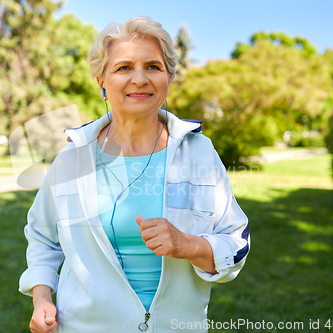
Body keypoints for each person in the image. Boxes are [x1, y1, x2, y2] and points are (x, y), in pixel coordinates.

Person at [19, 16, 250, 333]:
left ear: (168, 77)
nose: (140, 79)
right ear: (101, 80)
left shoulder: (199, 151)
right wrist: (42, 298)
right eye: (124, 67)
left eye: (153, 67)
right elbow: (43, 237)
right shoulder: (72, 157)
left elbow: (235, 243)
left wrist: (187, 245)